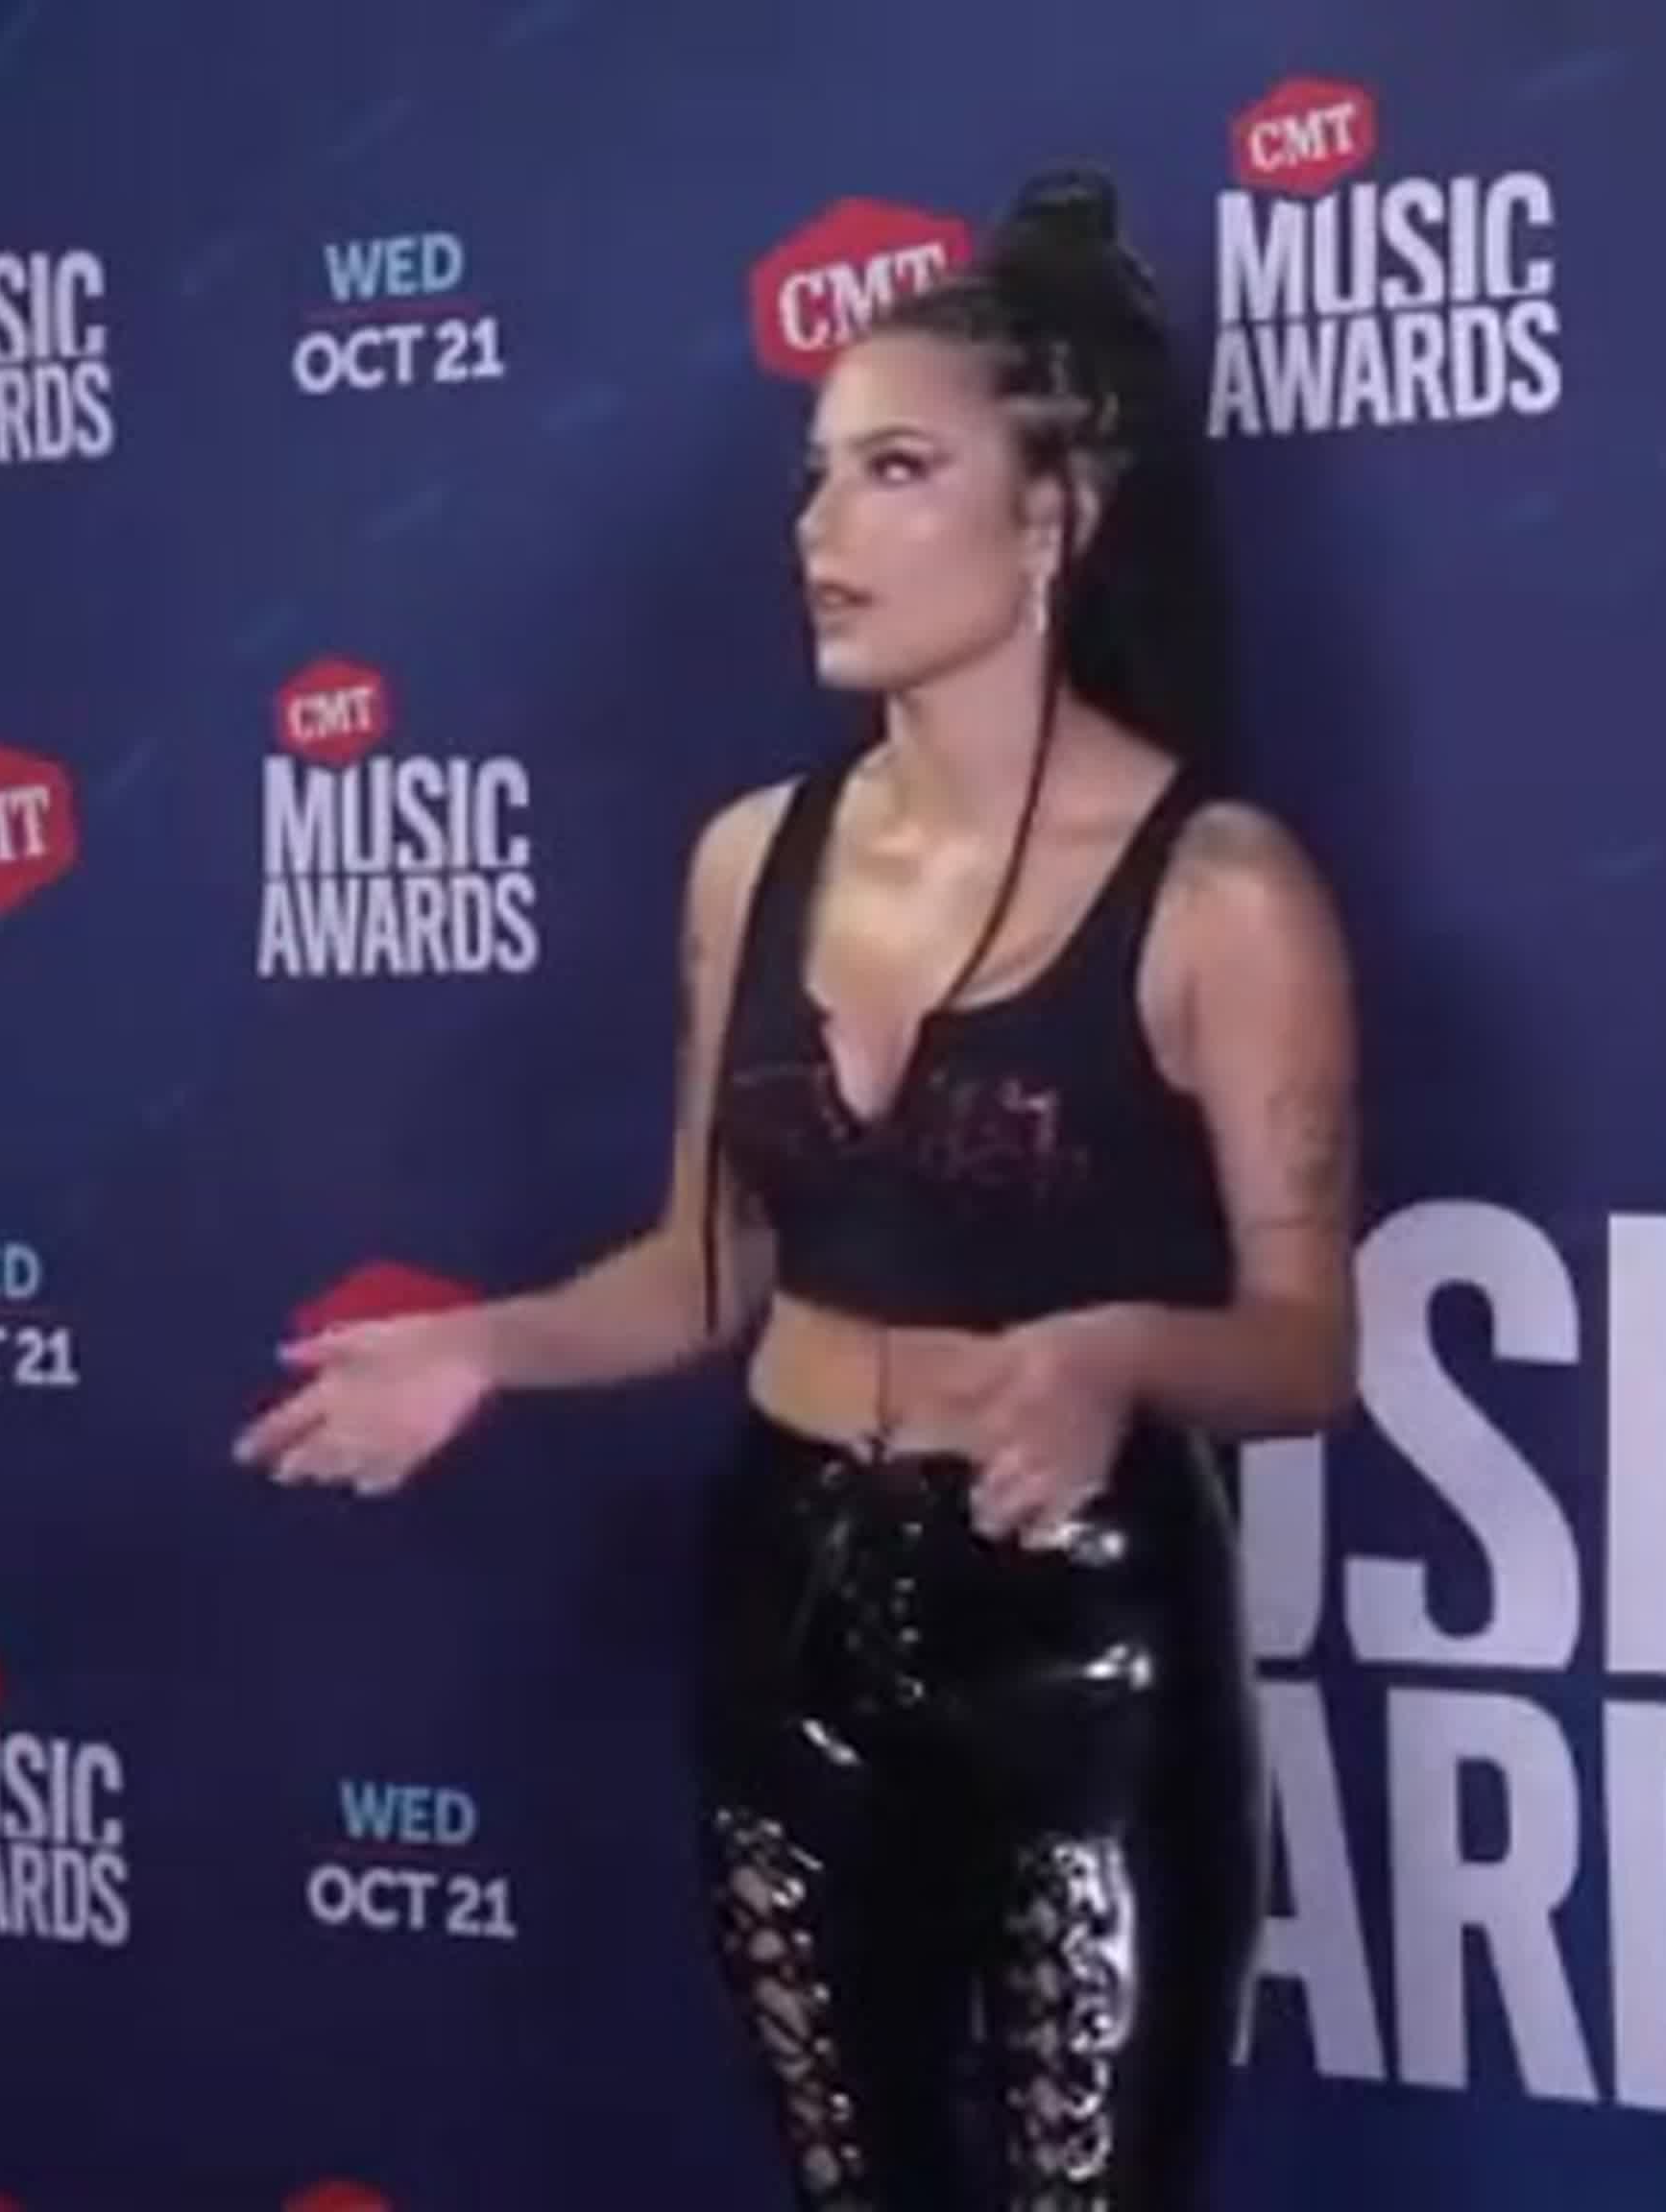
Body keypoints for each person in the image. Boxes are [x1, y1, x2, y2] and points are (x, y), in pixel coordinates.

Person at [234, 170, 1358, 2208]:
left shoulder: (1221, 893)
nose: (821, 529)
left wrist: (1110, 1356)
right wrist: (480, 1347)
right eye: (816, 474)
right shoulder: (748, 856)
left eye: (895, 470)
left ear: (1049, 519)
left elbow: (1303, 1349)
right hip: (787, 1627)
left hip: (1083, 1657)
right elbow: (701, 1272)